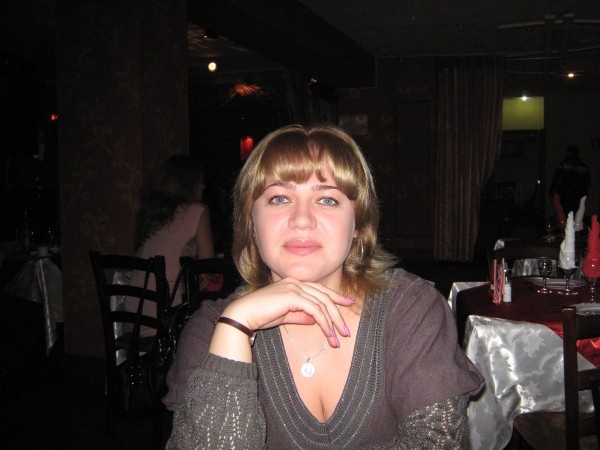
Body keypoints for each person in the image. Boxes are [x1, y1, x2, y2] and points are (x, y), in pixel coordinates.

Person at [163, 125, 484, 448]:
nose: (302, 219)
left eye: (327, 199)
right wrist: (235, 329)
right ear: (251, 224)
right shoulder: (211, 330)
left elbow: (434, 441)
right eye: (279, 198)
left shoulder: (411, 308)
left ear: (358, 224)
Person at [131, 155, 215, 335]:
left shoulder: (150, 214)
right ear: (189, 184)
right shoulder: (197, 211)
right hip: (166, 320)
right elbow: (208, 269)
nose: (203, 186)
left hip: (135, 316)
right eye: (200, 182)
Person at [549, 144, 590, 217]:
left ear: (568, 152)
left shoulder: (563, 165)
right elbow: (587, 182)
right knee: (576, 213)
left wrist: (552, 191)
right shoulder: (583, 166)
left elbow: (556, 178)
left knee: (565, 213)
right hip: (578, 194)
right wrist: (585, 193)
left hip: (565, 194)